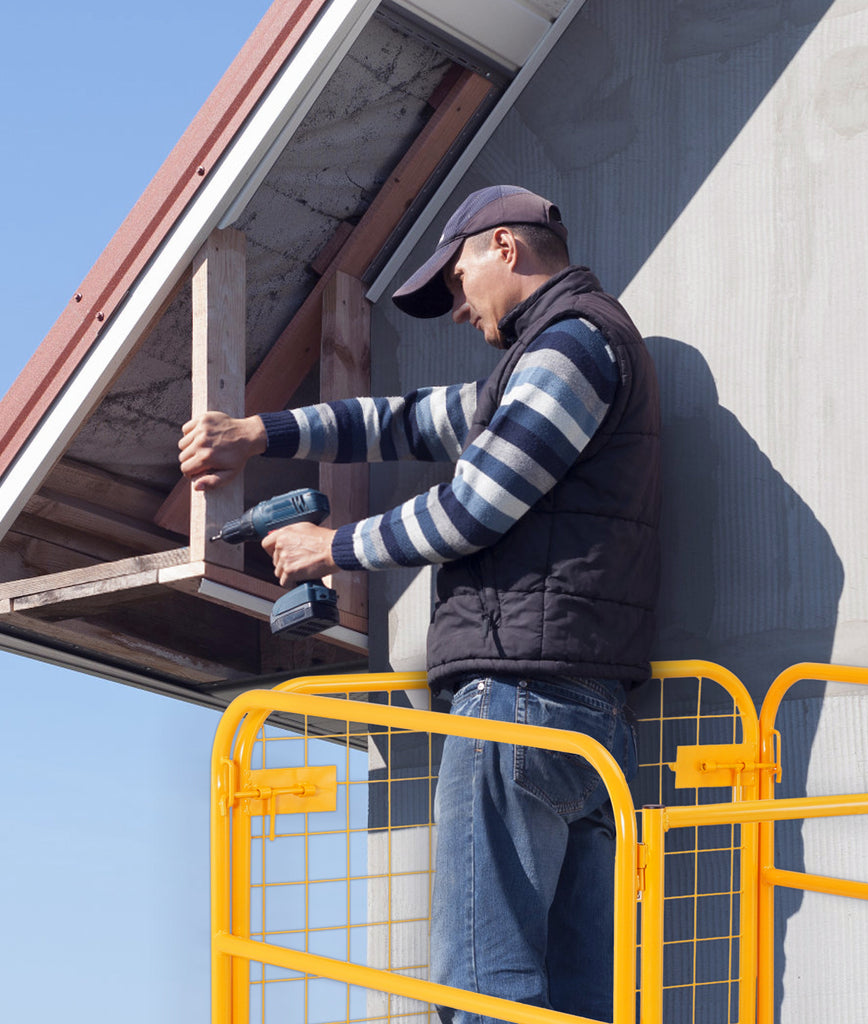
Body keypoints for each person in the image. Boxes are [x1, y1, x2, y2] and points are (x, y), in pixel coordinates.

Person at [179, 184, 661, 1023]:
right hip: (586, 712)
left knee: (483, 988)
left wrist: (331, 546)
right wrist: (262, 435)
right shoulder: (548, 362)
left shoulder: (571, 349)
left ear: (504, 248)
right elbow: (402, 422)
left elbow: (475, 507)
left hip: (520, 703)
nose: (455, 310)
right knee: (582, 999)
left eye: (458, 278)